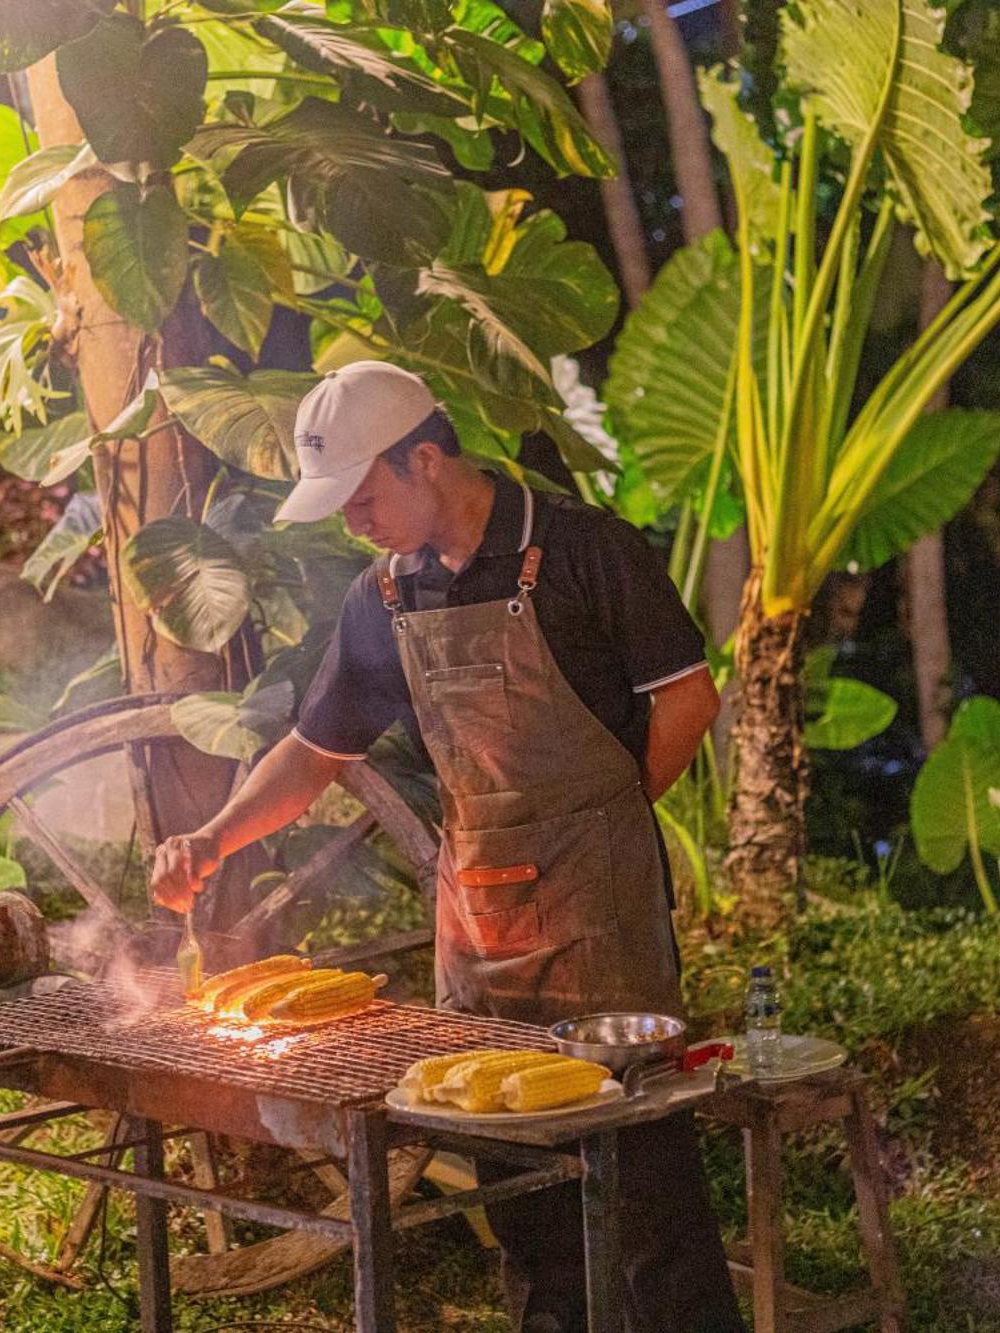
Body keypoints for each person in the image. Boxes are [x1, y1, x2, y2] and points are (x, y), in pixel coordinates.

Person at [151, 361, 745, 1333]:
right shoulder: (383, 599)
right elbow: (314, 751)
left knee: (638, 1171)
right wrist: (213, 838)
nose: (353, 523)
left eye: (364, 496)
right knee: (515, 1179)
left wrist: (601, 817)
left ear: (424, 459)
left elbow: (687, 700)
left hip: (599, 917)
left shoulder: (587, 553)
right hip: (478, 922)